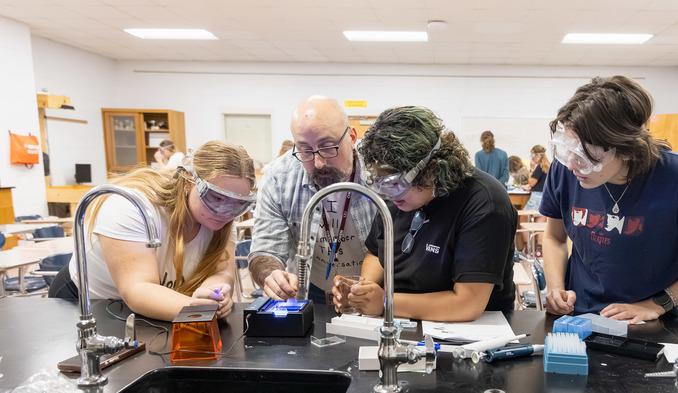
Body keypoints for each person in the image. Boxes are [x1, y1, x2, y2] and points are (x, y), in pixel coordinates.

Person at [539, 75, 678, 323]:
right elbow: (554, 237)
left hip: (651, 323)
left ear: (625, 147)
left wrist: (658, 304)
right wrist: (555, 288)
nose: (573, 164)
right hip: (578, 316)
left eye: (586, 155)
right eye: (569, 149)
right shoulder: (567, 170)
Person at [334, 106, 518, 322]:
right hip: (399, 317)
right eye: (382, 182)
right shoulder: (399, 197)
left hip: (468, 333)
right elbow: (376, 253)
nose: (390, 194)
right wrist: (363, 292)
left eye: (395, 183)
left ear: (432, 167)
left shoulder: (484, 202)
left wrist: (386, 302)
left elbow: (467, 304)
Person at [49, 140, 257, 322]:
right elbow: (138, 290)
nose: (225, 211)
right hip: (85, 304)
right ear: (188, 181)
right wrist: (197, 308)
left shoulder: (220, 218)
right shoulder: (131, 207)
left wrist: (213, 296)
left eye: (238, 204)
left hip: (155, 307)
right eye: (216, 198)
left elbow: (221, 270)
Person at [248, 96, 377, 304]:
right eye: (305, 150)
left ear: (352, 137)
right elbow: (265, 251)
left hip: (372, 292)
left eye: (327, 147)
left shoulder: (378, 173)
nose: (318, 163)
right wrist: (272, 276)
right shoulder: (278, 178)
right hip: (309, 292)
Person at [522, 144, 550, 212]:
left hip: (537, 197)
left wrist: (532, 169)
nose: (531, 158)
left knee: (523, 217)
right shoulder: (548, 165)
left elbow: (531, 183)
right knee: (540, 219)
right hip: (545, 196)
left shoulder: (540, 167)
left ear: (536, 155)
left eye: (532, 155)